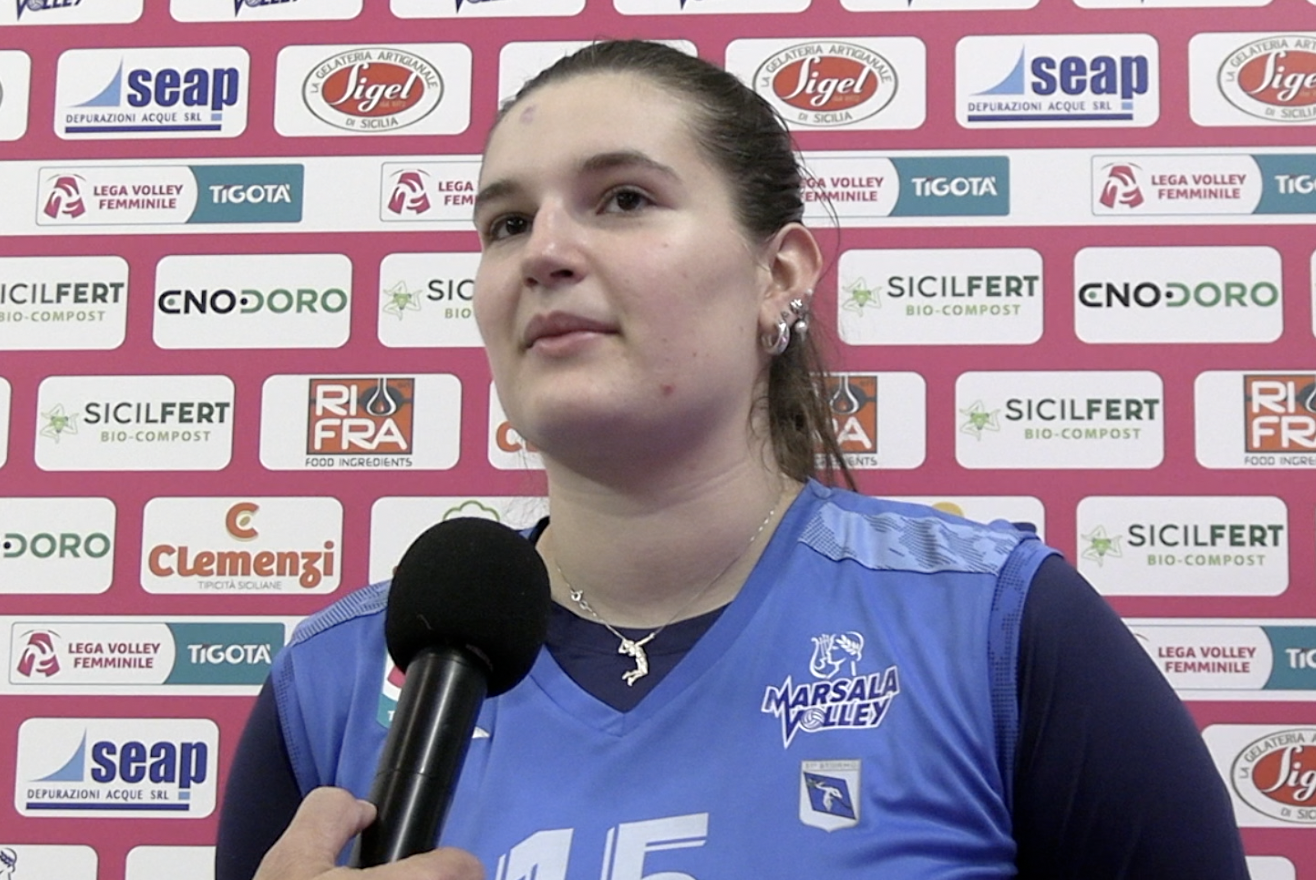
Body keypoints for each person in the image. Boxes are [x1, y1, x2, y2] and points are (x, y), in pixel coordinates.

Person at [218, 40, 1248, 880]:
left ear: (778, 273)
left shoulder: (1000, 632)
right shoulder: (334, 679)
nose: (543, 252)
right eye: (507, 221)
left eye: (624, 199)